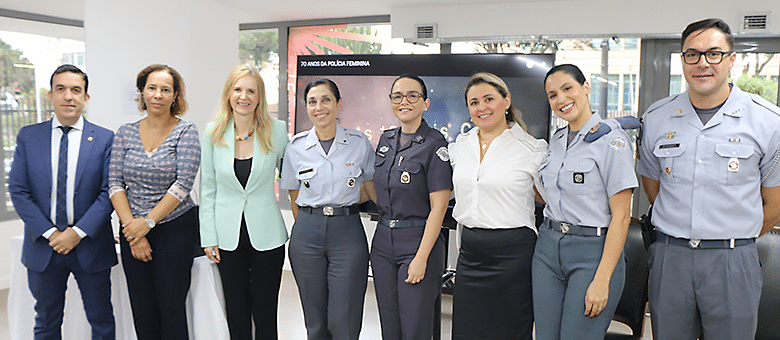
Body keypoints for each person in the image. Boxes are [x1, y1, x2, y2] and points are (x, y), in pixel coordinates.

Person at [637, 18, 780, 339]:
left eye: (714, 53)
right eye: (692, 54)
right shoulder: (657, 118)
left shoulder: (768, 121)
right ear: (683, 61)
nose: (702, 63)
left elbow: (775, 204)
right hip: (670, 257)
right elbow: (654, 187)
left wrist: (730, 237)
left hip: (733, 261)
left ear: (731, 59)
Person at [9, 64, 116, 340]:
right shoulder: (28, 136)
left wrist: (76, 233)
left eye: (76, 90)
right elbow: (19, 190)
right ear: (51, 95)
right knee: (46, 321)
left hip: (90, 245)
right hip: (44, 247)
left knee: (101, 320)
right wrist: (52, 233)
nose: (69, 96)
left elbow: (109, 192)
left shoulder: (105, 138)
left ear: (86, 98)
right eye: (61, 89)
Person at [532, 64, 637, 339]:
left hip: (592, 254)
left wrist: (602, 279)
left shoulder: (612, 141)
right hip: (547, 250)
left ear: (586, 87)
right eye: (553, 95)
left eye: (567, 88)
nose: (561, 99)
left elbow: (622, 216)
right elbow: (550, 194)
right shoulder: (556, 141)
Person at [448, 72, 548, 340]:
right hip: (470, 256)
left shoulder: (533, 149)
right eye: (474, 102)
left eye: (489, 99)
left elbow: (550, 199)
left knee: (510, 332)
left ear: (506, 101)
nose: (482, 107)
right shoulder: (459, 147)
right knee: (467, 332)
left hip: (513, 258)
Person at [109, 64, 201, 340]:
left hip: (175, 228)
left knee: (171, 308)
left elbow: (182, 185)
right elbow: (115, 184)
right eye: (152, 88)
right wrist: (134, 231)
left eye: (165, 89)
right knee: (142, 308)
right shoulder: (125, 133)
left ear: (175, 96)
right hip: (132, 229)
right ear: (142, 92)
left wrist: (147, 223)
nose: (158, 95)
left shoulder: (186, 131)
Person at [279, 79, 375, 340]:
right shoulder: (295, 147)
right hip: (307, 233)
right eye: (312, 102)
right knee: (315, 320)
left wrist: (342, 199)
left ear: (338, 104)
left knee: (344, 319)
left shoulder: (359, 142)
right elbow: (294, 195)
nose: (319, 107)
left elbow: (370, 188)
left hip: (347, 232)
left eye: (326, 100)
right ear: (307, 107)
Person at [200, 64, 289, 339]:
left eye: (251, 91)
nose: (244, 96)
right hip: (227, 237)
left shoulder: (276, 131)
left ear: (259, 97)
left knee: (265, 312)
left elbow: (293, 178)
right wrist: (208, 237)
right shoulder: (213, 132)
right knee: (236, 311)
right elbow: (207, 188)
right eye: (238, 89)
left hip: (267, 235)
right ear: (228, 94)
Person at [370, 74, 452, 340]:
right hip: (383, 243)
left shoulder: (435, 144)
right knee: (390, 327)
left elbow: (439, 208)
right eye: (397, 96)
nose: (404, 101)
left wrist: (421, 258)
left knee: (415, 328)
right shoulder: (385, 140)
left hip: (418, 242)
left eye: (412, 95)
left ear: (425, 103)